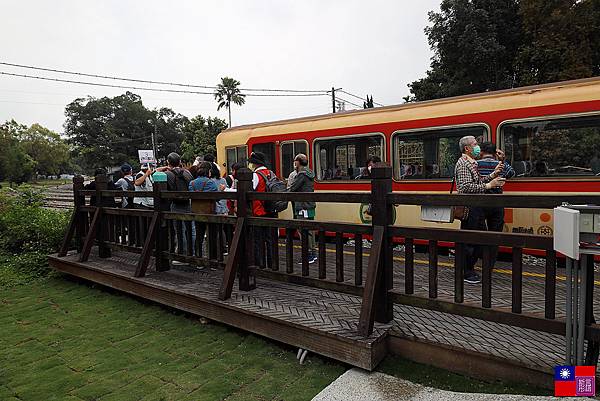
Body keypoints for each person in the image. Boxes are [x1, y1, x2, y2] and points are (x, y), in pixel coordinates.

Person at [454, 136, 505, 284]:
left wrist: (493, 175)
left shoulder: (471, 162)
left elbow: (478, 181)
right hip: (470, 207)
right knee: (471, 241)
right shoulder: (463, 163)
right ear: (467, 148)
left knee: (476, 239)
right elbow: (465, 187)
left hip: (476, 207)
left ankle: (469, 270)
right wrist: (489, 186)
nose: (478, 147)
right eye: (475, 144)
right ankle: (467, 272)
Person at [476, 142, 515, 266]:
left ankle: (478, 257)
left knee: (479, 233)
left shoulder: (476, 164)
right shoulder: (500, 165)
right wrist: (503, 160)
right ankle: (490, 263)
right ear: (495, 153)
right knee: (495, 234)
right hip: (497, 203)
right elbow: (512, 174)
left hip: (480, 203)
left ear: (481, 152)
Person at [248, 151, 278, 269]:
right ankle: (273, 264)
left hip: (259, 211)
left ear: (254, 163)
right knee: (271, 239)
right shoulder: (271, 173)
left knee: (258, 240)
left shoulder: (256, 175)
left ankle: (261, 264)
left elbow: (249, 190)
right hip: (271, 210)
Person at [163, 152, 194, 262]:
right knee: (190, 230)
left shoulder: (167, 174)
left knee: (179, 230)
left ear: (168, 162)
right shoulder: (187, 173)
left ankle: (181, 255)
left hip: (176, 204)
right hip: (189, 203)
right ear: (180, 162)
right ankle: (192, 253)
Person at [286, 154, 317, 264]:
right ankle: (313, 252)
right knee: (311, 230)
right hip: (310, 205)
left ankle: (308, 255)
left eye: (295, 160)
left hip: (302, 205)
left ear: (298, 162)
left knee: (303, 230)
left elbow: (293, 188)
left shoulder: (301, 175)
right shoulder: (309, 172)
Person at [189, 162, 218, 258]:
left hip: (197, 212)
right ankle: (212, 259)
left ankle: (198, 258)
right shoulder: (210, 182)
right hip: (210, 212)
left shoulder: (192, 183)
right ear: (208, 171)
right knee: (212, 237)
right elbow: (217, 197)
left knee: (199, 235)